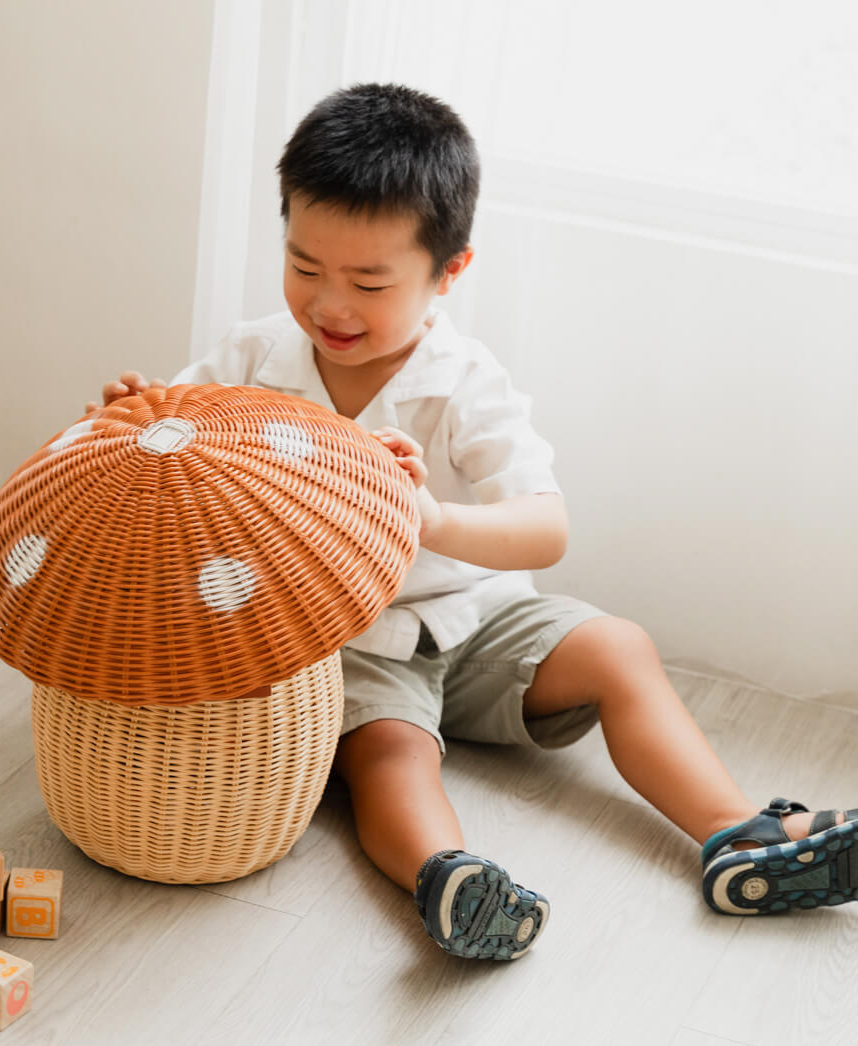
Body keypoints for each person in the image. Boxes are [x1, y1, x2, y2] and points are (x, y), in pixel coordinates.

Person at [87, 84, 858, 960]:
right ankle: (448, 878)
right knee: (388, 754)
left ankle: (736, 834)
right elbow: (177, 461)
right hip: (355, 641)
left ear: (449, 271)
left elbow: (544, 528)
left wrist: (429, 518)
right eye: (304, 268)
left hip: (478, 618)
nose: (330, 305)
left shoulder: (464, 379)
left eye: (370, 281)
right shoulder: (252, 359)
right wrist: (134, 423)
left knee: (620, 648)